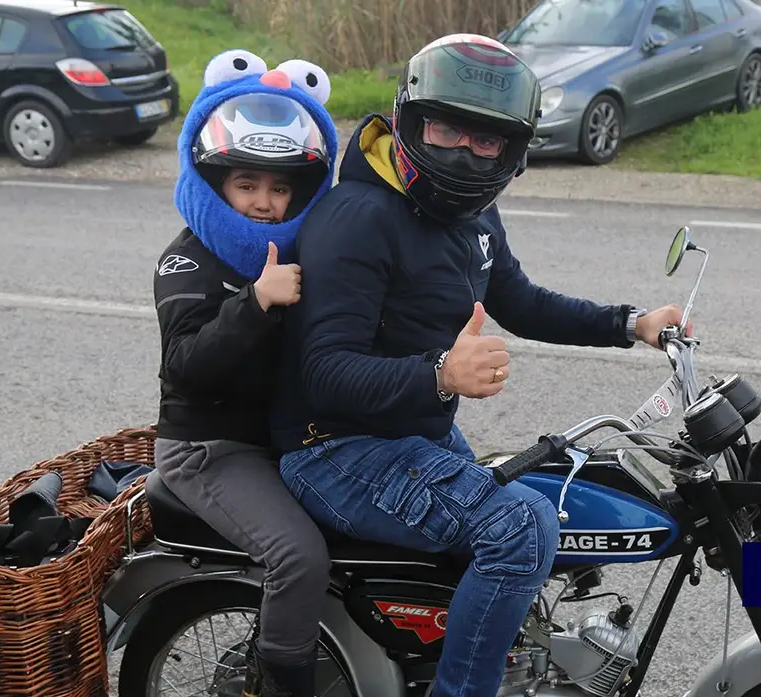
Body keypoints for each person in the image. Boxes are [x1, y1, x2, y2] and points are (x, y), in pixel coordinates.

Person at [271, 34, 685, 697]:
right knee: (520, 525)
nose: (463, 151)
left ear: (512, 152)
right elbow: (324, 371)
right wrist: (439, 374)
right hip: (333, 449)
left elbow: (519, 299)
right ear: (412, 121)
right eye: (445, 128)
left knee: (554, 499)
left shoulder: (474, 215)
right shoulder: (358, 217)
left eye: (486, 141)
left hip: (410, 433)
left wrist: (628, 322)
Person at [152, 49, 339, 697]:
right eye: (247, 185)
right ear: (217, 184)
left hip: (277, 438)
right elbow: (186, 366)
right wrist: (255, 301)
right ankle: (283, 680)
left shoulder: (297, 253)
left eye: (280, 188)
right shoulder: (188, 261)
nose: (264, 202)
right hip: (207, 447)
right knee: (299, 554)